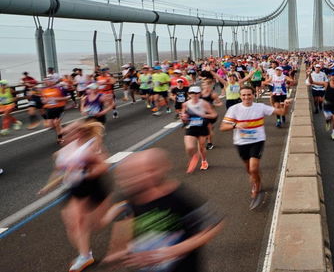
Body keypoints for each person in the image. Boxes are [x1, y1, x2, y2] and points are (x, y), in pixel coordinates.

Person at [103, 148, 224, 271]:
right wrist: (118, 253)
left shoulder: (178, 197)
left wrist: (171, 251)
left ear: (153, 173)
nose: (128, 181)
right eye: (124, 177)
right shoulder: (129, 199)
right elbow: (122, 235)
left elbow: (213, 225)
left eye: (135, 174)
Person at [38, 121, 111, 272]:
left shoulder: (90, 148)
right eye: (62, 134)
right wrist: (48, 186)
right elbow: (58, 171)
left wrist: (84, 172)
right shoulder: (62, 152)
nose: (62, 137)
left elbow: (103, 167)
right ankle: (85, 255)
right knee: (74, 224)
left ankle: (119, 210)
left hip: (92, 186)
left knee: (98, 224)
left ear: (78, 134)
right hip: (74, 188)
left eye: (67, 134)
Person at [220, 86, 291, 210]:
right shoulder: (234, 109)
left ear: (253, 95)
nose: (246, 97)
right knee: (249, 169)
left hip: (257, 141)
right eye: (244, 95)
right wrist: (236, 125)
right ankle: (256, 178)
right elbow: (223, 127)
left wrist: (286, 105)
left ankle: (256, 185)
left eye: (249, 94)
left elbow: (282, 113)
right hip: (241, 143)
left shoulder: (260, 107)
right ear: (240, 96)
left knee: (253, 168)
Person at [181, 86, 218, 172]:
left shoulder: (204, 103)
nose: (194, 95)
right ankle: (194, 157)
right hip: (191, 127)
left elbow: (214, 114)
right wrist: (184, 117)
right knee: (189, 147)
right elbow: (183, 116)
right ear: (189, 94)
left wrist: (204, 115)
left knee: (201, 147)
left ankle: (204, 161)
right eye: (192, 93)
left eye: (196, 93)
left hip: (202, 127)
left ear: (199, 94)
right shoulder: (185, 104)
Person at [41, 77, 69, 143]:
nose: (47, 82)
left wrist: (56, 99)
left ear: (53, 82)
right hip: (49, 109)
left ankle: (60, 138)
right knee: (50, 125)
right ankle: (62, 130)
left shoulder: (60, 88)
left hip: (59, 108)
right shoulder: (44, 90)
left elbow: (68, 97)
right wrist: (44, 101)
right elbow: (43, 100)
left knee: (56, 122)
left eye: (49, 81)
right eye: (46, 81)